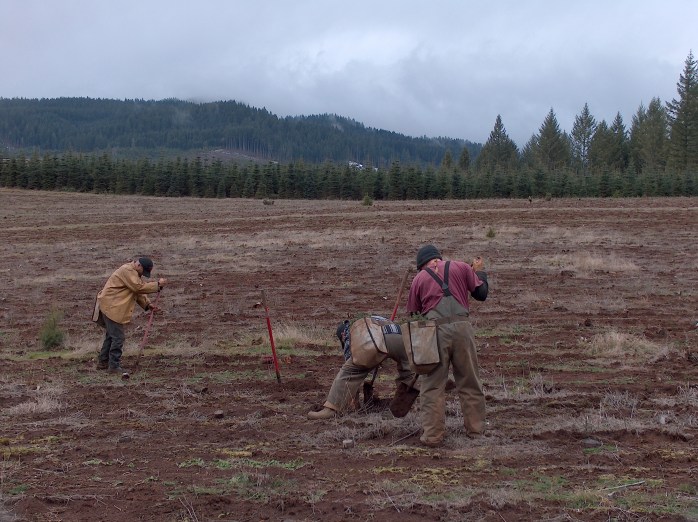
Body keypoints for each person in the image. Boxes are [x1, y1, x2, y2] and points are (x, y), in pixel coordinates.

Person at [406, 244, 488, 447]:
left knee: (433, 385)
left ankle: (432, 436)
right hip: (462, 330)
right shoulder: (461, 267)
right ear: (438, 258)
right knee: (470, 381)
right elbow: (481, 294)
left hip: (435, 333)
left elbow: (413, 314)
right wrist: (479, 272)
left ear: (422, 264)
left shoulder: (419, 278)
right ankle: (476, 432)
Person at [308, 316, 418, 420]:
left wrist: (353, 397)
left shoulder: (349, 333)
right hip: (402, 336)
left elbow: (353, 360)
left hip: (375, 339)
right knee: (410, 374)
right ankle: (401, 410)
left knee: (350, 370)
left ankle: (331, 409)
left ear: (342, 334)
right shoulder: (374, 318)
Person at [94, 257, 167, 374]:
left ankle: (103, 362)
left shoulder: (134, 273)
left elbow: (136, 291)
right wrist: (157, 285)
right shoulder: (127, 270)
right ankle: (113, 366)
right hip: (111, 307)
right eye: (144, 272)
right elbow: (138, 287)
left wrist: (148, 304)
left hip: (111, 306)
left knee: (111, 336)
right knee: (118, 337)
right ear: (139, 266)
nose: (143, 275)